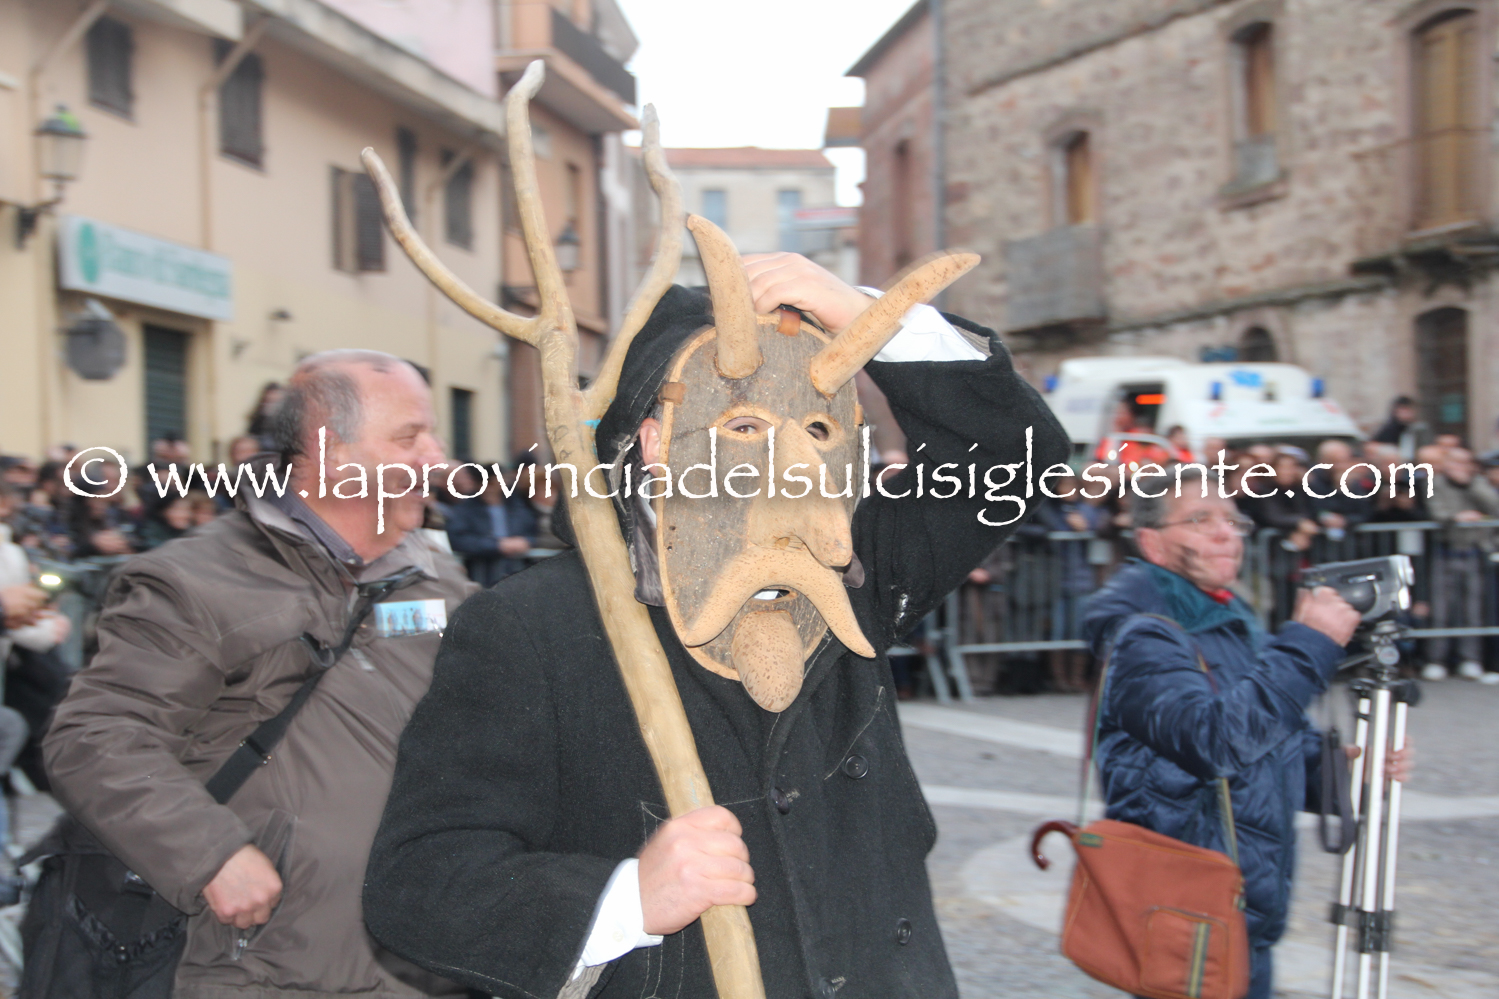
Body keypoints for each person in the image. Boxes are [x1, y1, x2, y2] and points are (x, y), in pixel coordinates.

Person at [362, 251, 1069, 999]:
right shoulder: (531, 627)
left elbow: (1012, 457)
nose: (792, 465)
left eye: (816, 426)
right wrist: (626, 898)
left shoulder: (860, 574)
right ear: (655, 442)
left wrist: (869, 317)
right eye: (743, 423)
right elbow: (419, 879)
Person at [41, 350, 476, 999]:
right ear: (329, 450)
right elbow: (96, 735)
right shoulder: (194, 581)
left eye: (432, 435)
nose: (436, 458)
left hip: (420, 959)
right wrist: (209, 852)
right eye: (409, 437)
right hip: (260, 967)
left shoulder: (439, 579)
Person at [1082, 465, 1409, 999]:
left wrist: (1345, 768)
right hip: (1184, 908)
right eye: (1200, 520)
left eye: (1233, 521)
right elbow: (1214, 741)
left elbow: (1267, 747)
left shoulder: (1229, 621)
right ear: (1151, 542)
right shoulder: (1143, 635)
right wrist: (1309, 643)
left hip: (1243, 907)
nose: (1225, 533)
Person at [1420, 447, 1499, 682]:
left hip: (1473, 551)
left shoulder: (1478, 484)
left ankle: (1470, 658)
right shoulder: (1436, 483)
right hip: (1445, 550)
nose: (1460, 467)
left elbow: (1494, 507)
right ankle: (1436, 659)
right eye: (1455, 462)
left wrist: (1470, 485)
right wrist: (1457, 517)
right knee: (1441, 608)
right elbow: (1437, 512)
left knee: (1472, 609)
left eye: (1465, 462)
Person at [443, 465, 537, 587]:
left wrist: (525, 542)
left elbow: (533, 531)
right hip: (482, 573)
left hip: (516, 571)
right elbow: (458, 539)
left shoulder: (517, 506)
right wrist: (496, 546)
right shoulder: (465, 510)